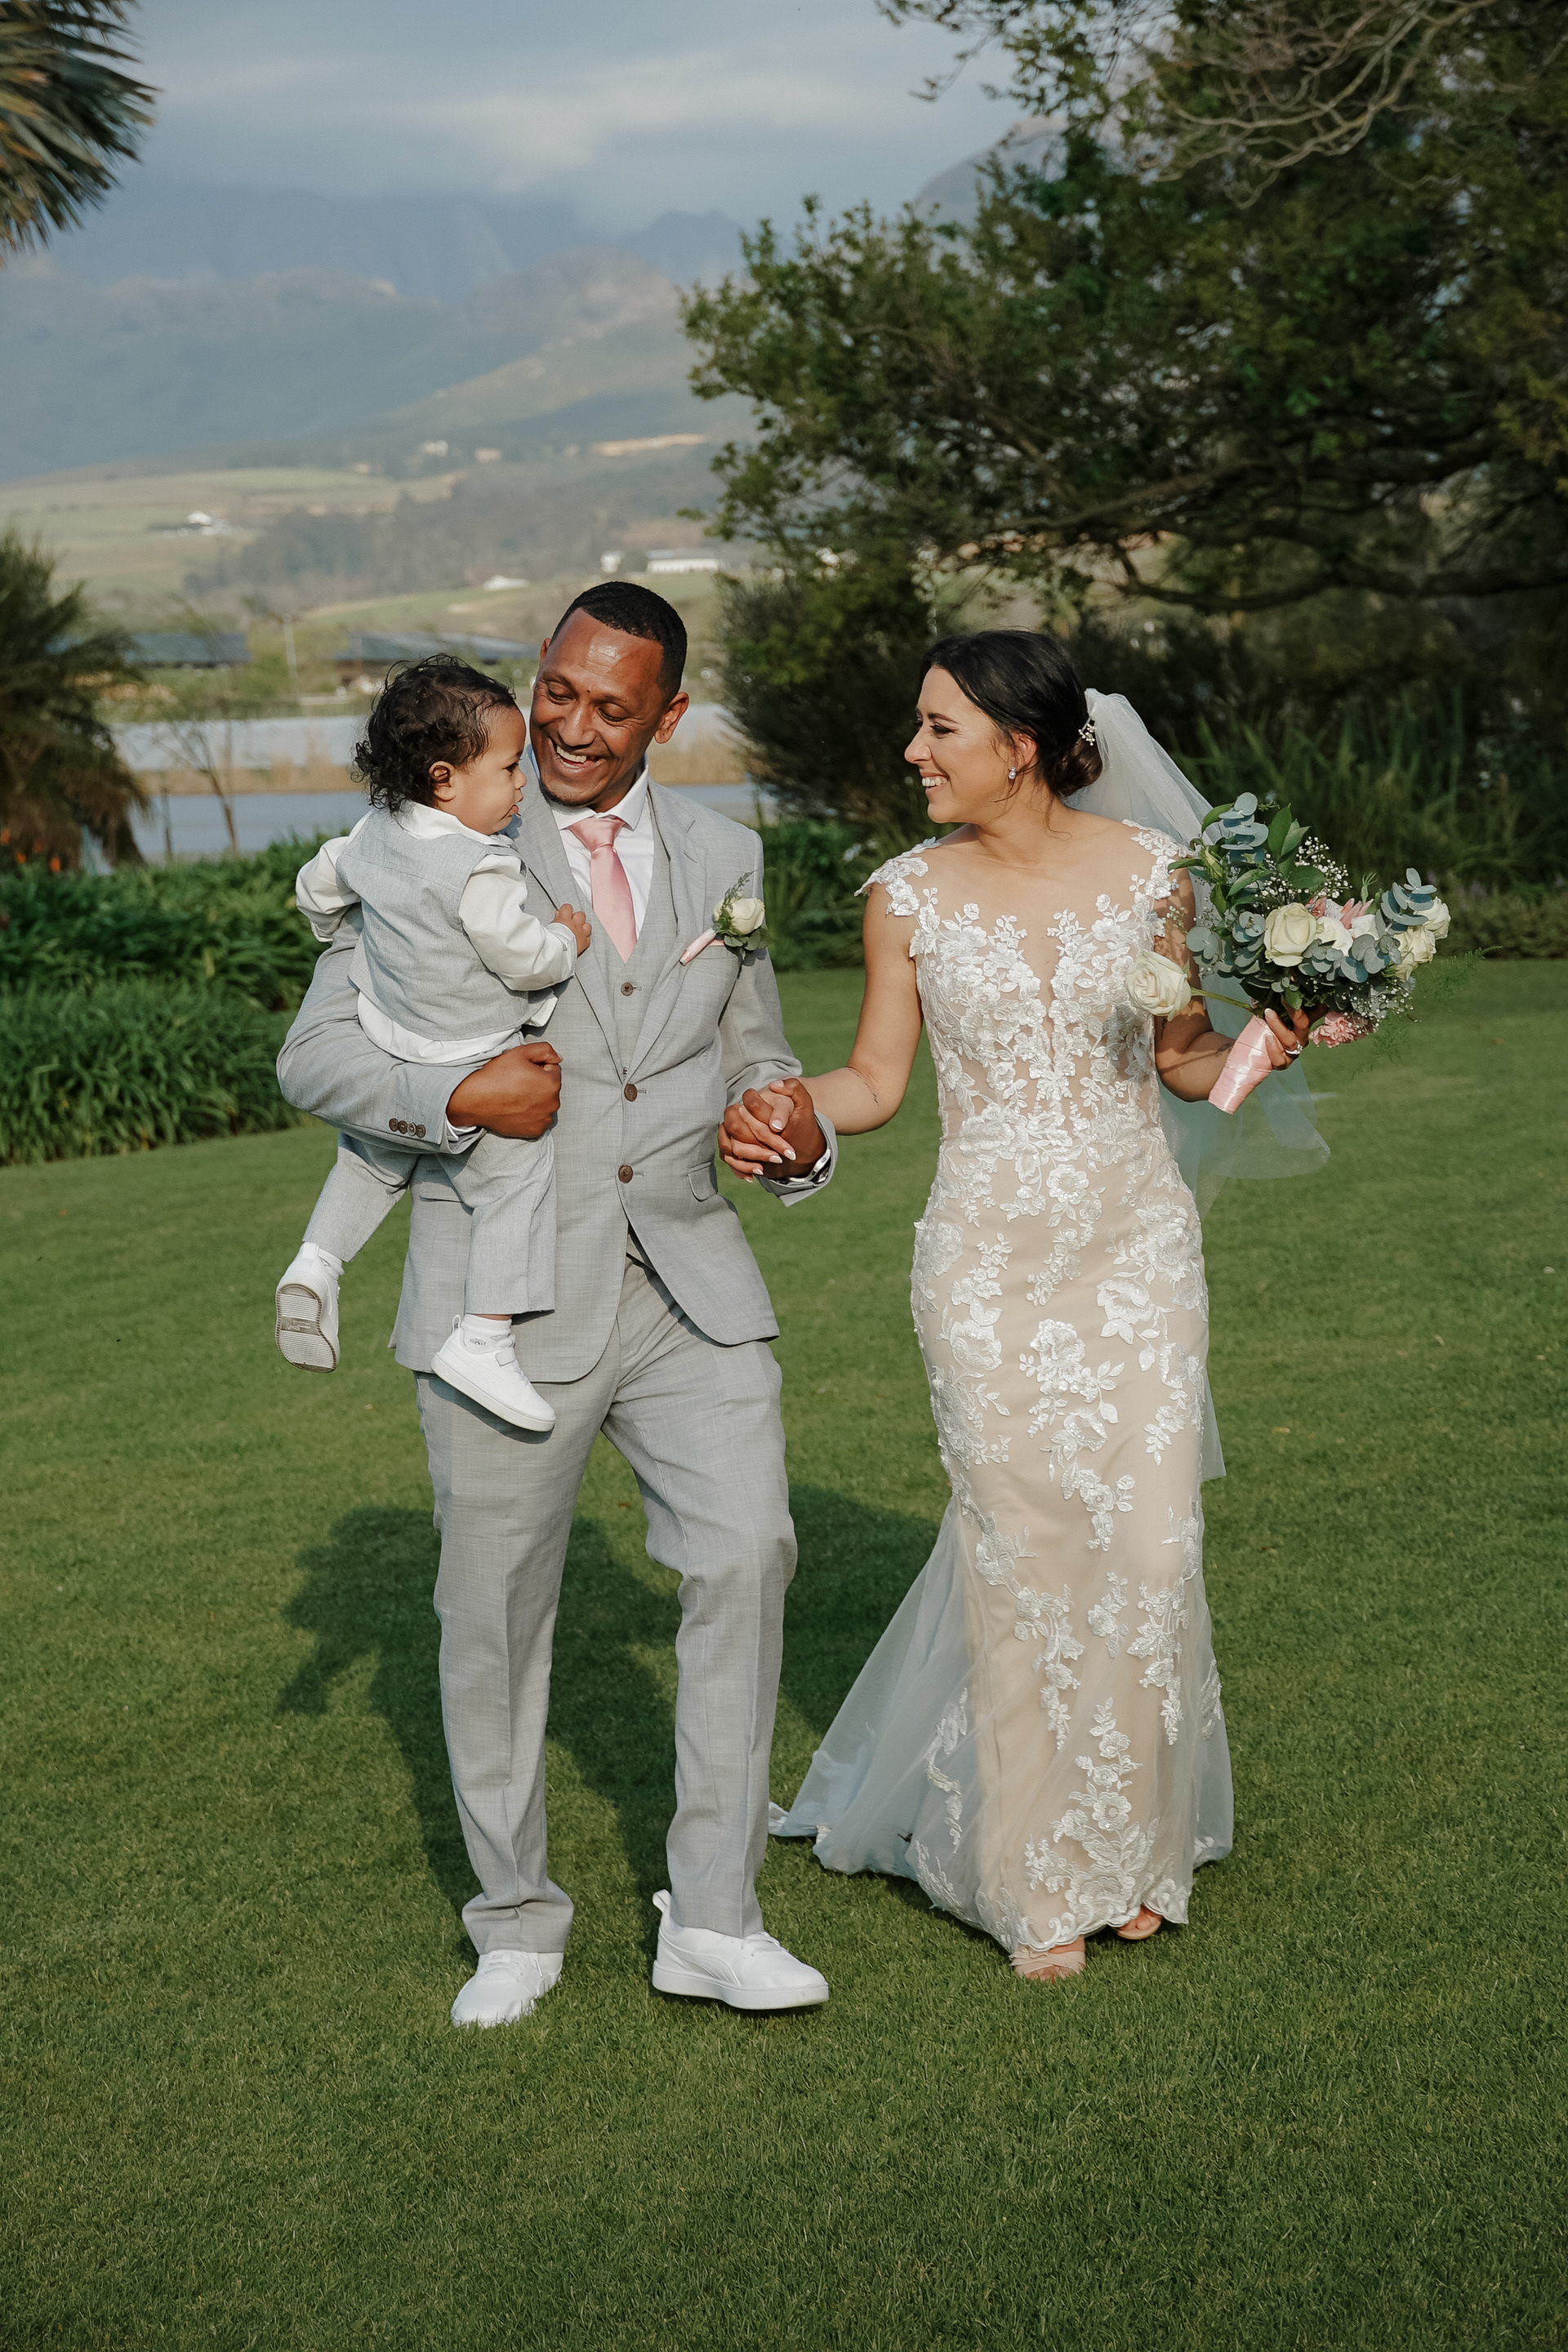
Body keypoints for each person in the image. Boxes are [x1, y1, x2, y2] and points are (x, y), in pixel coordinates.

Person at [276, 581, 837, 2026]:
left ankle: (713, 1919)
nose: (575, 729)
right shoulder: (439, 826)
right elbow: (316, 1056)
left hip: (691, 1285)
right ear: (538, 674)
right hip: (503, 1304)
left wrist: (794, 1131)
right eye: (560, 694)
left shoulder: (728, 855)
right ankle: (516, 1922)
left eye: (612, 707)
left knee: (749, 1556)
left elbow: (758, 1050)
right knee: (495, 1615)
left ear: (671, 715)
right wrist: (457, 1096)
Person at [722, 631, 1316, 1982]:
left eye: (939, 729)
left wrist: (1273, 1037)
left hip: (1135, 1253)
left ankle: (1134, 1852)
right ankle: (1034, 1876)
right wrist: (785, 1106)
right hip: (984, 1263)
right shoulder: (905, 898)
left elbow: (1183, 1061)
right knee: (1023, 1557)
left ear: (1023, 744)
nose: (914, 752)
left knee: (1149, 1550)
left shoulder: (1156, 879)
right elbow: (877, 1082)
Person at [274, 656, 591, 1433]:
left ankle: (316, 1263)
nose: (522, 784)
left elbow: (315, 887)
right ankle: (483, 1338)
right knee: (517, 1177)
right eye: (509, 768)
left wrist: (342, 924)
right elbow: (522, 958)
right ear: (445, 780)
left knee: (369, 1157)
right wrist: (565, 938)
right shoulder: (479, 867)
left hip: (390, 1035)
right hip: (466, 1050)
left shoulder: (373, 832)